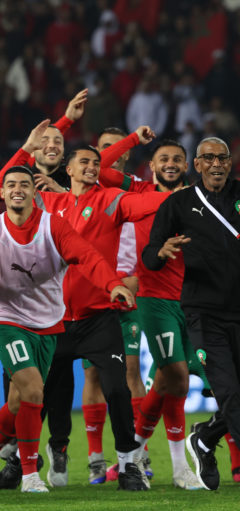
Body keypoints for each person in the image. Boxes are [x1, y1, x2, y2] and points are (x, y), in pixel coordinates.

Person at [0, 120, 168, 490]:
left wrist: (185, 196)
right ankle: (21, 463)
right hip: (50, 319)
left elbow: (150, 201)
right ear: (67, 170)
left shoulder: (111, 201)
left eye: (94, 162)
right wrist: (27, 145)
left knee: (117, 389)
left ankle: (128, 465)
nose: (89, 167)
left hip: (98, 317)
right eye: (82, 162)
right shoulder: (47, 202)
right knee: (31, 393)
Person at [0, 166, 133, 494]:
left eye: (25, 185)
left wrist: (112, 283)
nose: (17, 189)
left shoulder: (54, 225)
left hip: (48, 322)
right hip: (7, 320)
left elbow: (87, 256)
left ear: (37, 193)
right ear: (1, 193)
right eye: (10, 185)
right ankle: (30, 474)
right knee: (33, 391)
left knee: (19, 400)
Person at [93, 130, 204, 490]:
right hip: (155, 300)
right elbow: (99, 167)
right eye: (164, 159)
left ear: (187, 166)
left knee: (166, 380)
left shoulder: (199, 198)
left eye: (176, 159)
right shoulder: (138, 192)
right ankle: (179, 466)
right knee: (177, 378)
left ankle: (136, 450)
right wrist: (130, 140)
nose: (170, 164)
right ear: (152, 165)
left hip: (197, 299)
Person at [143, 136, 240, 491]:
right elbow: (149, 255)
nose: (217, 164)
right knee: (229, 391)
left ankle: (205, 438)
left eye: (223, 158)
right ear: (196, 165)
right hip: (204, 313)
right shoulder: (179, 203)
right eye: (209, 158)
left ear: (230, 163)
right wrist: (161, 252)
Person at [81, 126, 149, 484]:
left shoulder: (131, 187)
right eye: (100, 149)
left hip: (130, 286)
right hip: (93, 291)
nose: (107, 154)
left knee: (131, 371)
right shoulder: (80, 191)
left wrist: (135, 279)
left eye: (113, 149)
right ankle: (95, 457)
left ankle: (138, 454)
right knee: (92, 373)